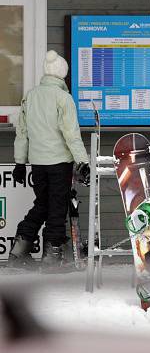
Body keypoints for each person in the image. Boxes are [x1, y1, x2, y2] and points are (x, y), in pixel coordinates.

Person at [10, 50, 90, 271]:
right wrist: (83, 161)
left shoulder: (31, 96)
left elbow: (22, 132)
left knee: (43, 205)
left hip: (37, 163)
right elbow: (71, 134)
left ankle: (19, 251)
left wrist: (19, 162)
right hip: (58, 163)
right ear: (62, 74)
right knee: (56, 207)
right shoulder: (63, 98)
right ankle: (52, 257)